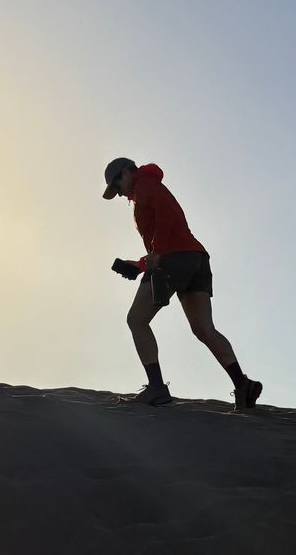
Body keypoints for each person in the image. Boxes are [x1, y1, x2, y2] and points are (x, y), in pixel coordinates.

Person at [102, 157, 263, 409]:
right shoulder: (148, 186)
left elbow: (168, 214)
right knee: (203, 329)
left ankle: (156, 388)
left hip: (175, 258)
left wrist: (158, 253)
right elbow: (169, 231)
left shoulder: (144, 184)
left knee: (136, 320)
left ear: (125, 173)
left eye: (117, 185)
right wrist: (139, 265)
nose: (120, 194)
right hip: (195, 258)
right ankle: (242, 384)